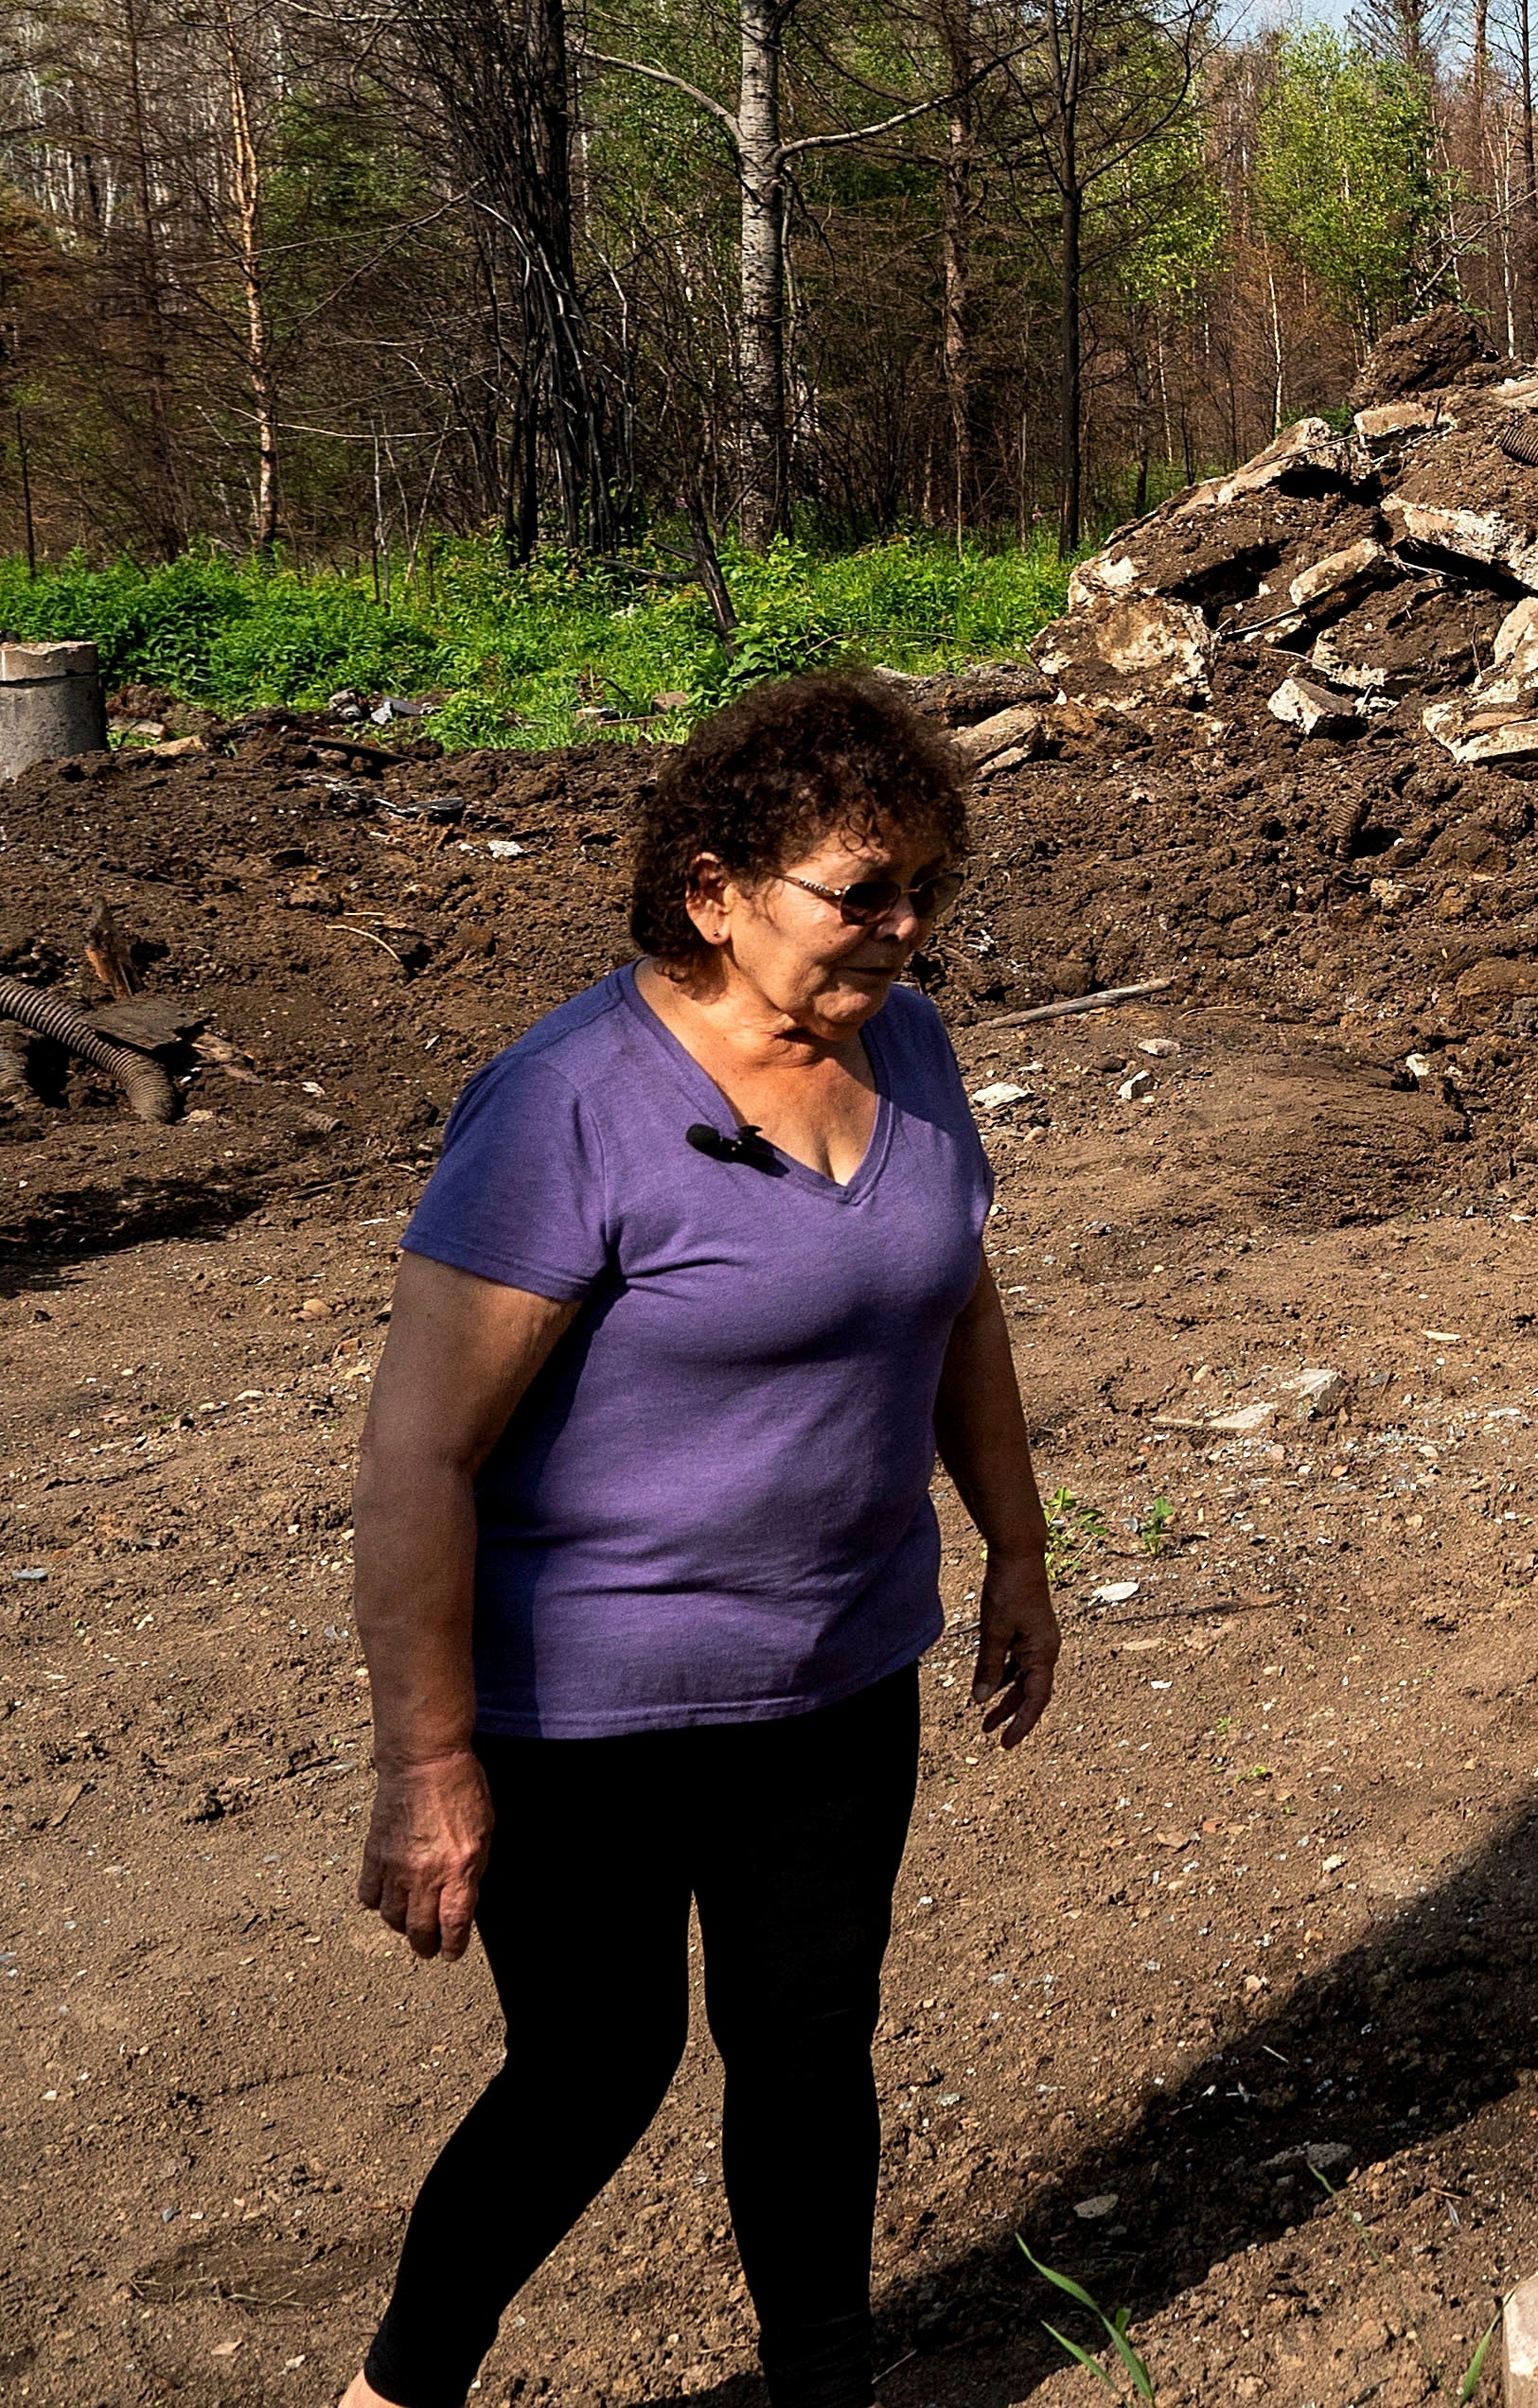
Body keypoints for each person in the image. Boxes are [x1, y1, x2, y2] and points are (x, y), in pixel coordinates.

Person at [339, 672, 1058, 2408]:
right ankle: (396, 2392)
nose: (904, 930)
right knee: (594, 2066)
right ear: (715, 890)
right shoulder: (564, 1102)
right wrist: (425, 1761)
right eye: (863, 893)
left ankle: (825, 2386)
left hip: (836, 1670)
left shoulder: (907, 1047)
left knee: (809, 2049)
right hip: (592, 1699)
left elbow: (956, 1306)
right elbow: (422, 1452)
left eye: (924, 892)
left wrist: (1018, 1551)